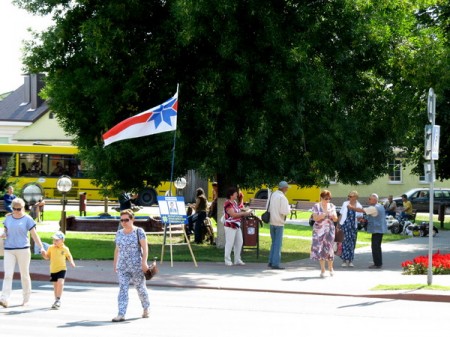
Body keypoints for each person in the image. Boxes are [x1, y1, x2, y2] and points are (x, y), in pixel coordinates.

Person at [0, 198, 46, 308]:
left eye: (18, 209)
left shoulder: (27, 219)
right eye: (14, 209)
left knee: (24, 274)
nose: (16, 211)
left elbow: (34, 235)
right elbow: (5, 231)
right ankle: (4, 298)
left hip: (23, 249)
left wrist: (41, 248)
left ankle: (26, 299)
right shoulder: (8, 218)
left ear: (23, 208)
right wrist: (4, 234)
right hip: (9, 249)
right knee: (8, 274)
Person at [112, 209, 150, 322]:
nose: (124, 222)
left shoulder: (139, 231)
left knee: (140, 288)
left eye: (126, 220)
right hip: (123, 266)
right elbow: (117, 249)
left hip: (137, 266)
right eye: (121, 220)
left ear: (132, 219)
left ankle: (146, 307)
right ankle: (121, 313)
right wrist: (115, 264)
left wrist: (144, 262)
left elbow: (145, 248)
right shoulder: (119, 233)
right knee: (123, 289)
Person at [349, 193, 388, 269]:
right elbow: (374, 216)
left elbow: (362, 210)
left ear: (374, 200)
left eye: (369, 199)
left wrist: (352, 207)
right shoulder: (380, 206)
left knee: (375, 247)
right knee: (377, 247)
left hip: (377, 230)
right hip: (380, 229)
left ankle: (377, 264)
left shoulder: (373, 208)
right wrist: (364, 220)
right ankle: (378, 263)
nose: (368, 200)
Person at [41, 231, 76, 309]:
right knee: (55, 285)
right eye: (53, 240)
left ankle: (58, 299)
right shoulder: (51, 247)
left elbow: (69, 256)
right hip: (53, 269)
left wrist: (72, 262)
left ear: (62, 240)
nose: (54, 242)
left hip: (62, 268)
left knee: (60, 282)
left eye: (57, 240)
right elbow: (47, 257)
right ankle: (56, 300)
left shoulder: (65, 248)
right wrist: (43, 253)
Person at [310, 190, 338, 277]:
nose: (328, 200)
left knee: (329, 248)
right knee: (320, 249)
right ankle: (322, 269)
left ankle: (330, 268)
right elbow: (315, 218)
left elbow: (336, 219)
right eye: (326, 198)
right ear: (321, 198)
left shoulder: (332, 206)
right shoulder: (316, 206)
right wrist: (323, 214)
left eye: (329, 198)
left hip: (329, 229)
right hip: (318, 230)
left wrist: (334, 217)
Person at [223, 187, 252, 266]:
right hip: (230, 226)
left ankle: (237, 259)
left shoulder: (234, 202)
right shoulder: (227, 203)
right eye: (235, 193)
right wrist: (244, 214)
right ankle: (227, 260)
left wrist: (245, 210)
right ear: (231, 195)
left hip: (236, 225)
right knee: (230, 243)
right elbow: (233, 215)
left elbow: (238, 210)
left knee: (239, 242)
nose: (237, 194)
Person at [267, 181, 291, 270]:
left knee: (273, 243)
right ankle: (275, 263)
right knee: (278, 244)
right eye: (287, 188)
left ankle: (270, 261)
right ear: (284, 188)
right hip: (279, 223)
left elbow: (268, 208)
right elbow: (284, 211)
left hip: (272, 222)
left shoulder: (273, 195)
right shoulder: (282, 197)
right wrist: (289, 208)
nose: (287, 189)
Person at [339, 191, 362, 267]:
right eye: (349, 196)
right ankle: (344, 260)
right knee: (345, 242)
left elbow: (360, 218)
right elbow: (341, 214)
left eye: (351, 196)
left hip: (353, 226)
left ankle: (350, 260)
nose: (349, 198)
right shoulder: (345, 203)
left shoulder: (359, 206)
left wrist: (360, 218)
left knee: (352, 243)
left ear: (356, 197)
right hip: (345, 225)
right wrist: (338, 225)